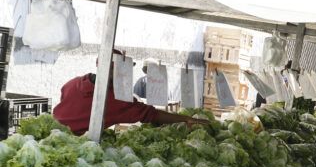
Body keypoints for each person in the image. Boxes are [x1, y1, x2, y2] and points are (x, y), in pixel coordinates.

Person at [54, 49, 205, 135]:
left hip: (51, 136)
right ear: (118, 71)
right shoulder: (117, 99)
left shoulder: (72, 83)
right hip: (75, 145)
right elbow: (150, 115)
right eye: (124, 71)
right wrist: (185, 118)